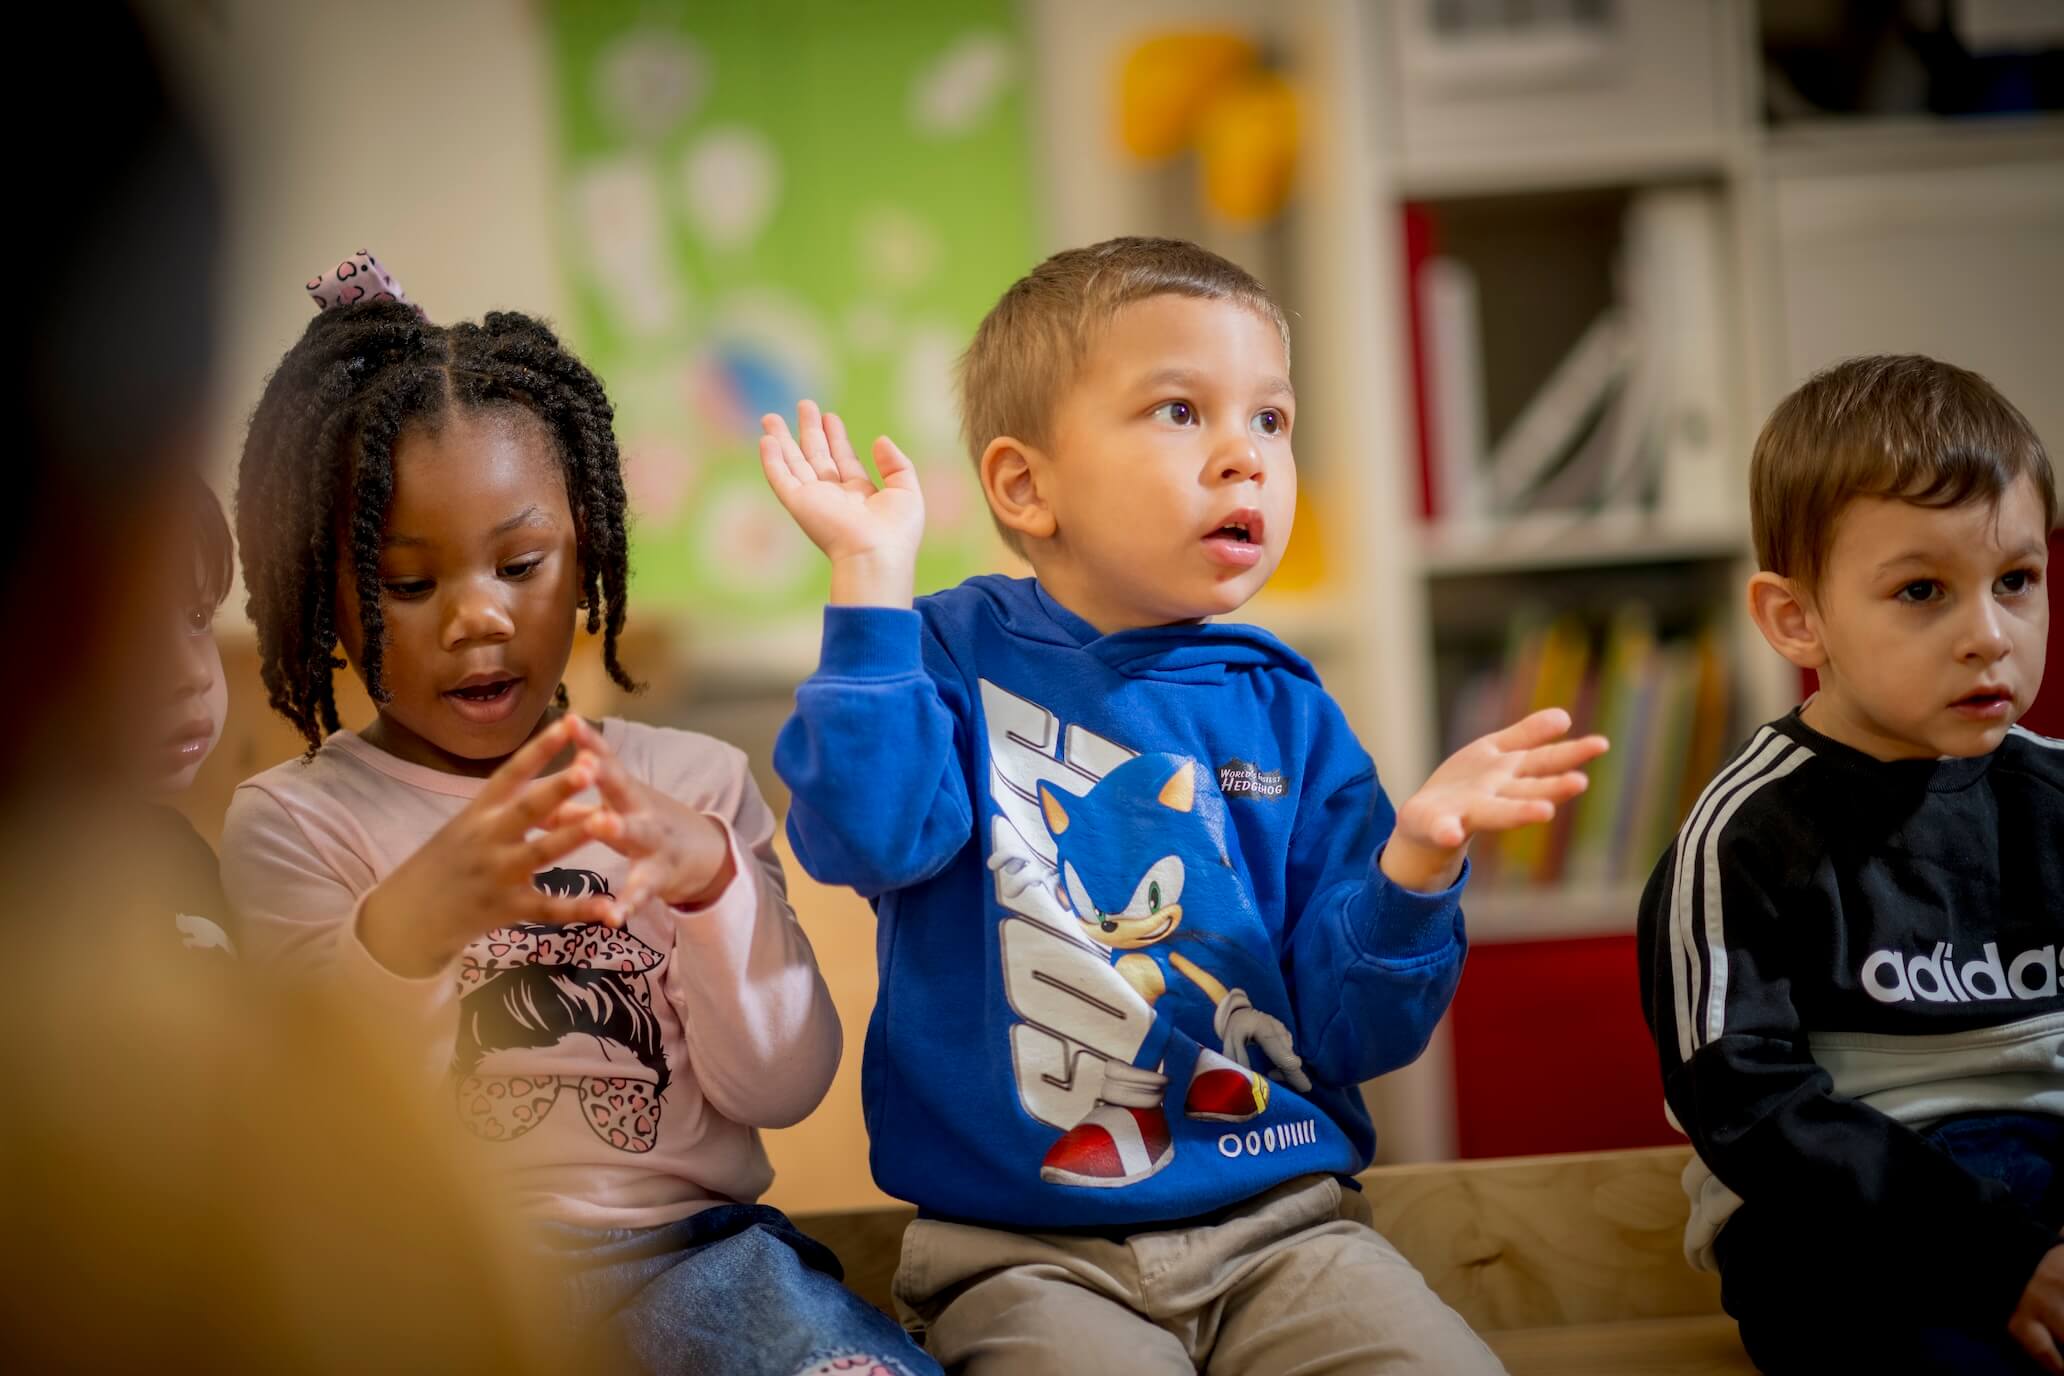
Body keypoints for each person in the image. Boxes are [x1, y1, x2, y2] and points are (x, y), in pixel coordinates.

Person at [761, 236, 1605, 1373]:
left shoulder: (1290, 712)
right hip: (1022, 1253)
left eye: (1271, 419)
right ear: (1026, 484)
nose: (1243, 458)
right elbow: (866, 835)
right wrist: (870, 582)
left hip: (1286, 1233)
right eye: (1178, 410)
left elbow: (1354, 1033)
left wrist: (1412, 867)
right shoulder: (943, 656)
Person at [222, 267, 936, 1376]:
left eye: (520, 563)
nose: (477, 615)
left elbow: (784, 1086)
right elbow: (314, 1142)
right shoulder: (292, 821)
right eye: (409, 582)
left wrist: (711, 885)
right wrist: (402, 932)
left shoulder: (691, 781)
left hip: (691, 1256)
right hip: (432, 1277)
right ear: (330, 594)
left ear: (589, 550)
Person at [1636, 354, 2064, 1375]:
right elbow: (1746, 1105)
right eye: (1923, 590)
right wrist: (1994, 1253)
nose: (1988, 635)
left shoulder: (2052, 796)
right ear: (1798, 618)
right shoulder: (1743, 833)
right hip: (1840, 1207)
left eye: (2017, 581)